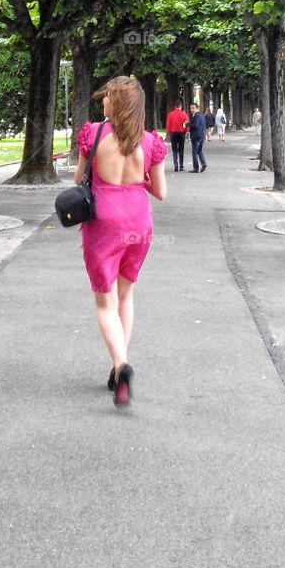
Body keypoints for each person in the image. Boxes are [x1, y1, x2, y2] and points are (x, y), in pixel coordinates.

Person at [73, 76, 168, 407]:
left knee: (105, 302)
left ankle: (121, 364)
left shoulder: (94, 134)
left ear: (119, 104)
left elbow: (78, 179)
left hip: (104, 221)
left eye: (108, 96)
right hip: (139, 222)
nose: (103, 101)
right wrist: (140, 180)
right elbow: (161, 192)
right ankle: (118, 371)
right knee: (126, 295)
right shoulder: (151, 142)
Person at [165, 98, 189, 172]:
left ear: (174, 106)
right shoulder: (184, 114)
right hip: (181, 133)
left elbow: (168, 125)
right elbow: (186, 124)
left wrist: (169, 133)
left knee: (174, 150)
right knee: (181, 150)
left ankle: (175, 164)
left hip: (173, 133)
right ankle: (181, 166)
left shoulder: (170, 114)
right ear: (181, 106)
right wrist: (186, 131)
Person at [187, 103, 207, 173]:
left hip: (196, 136)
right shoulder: (202, 115)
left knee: (194, 152)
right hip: (202, 135)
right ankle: (203, 163)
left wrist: (188, 124)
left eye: (193, 108)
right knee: (199, 151)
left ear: (197, 108)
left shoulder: (196, 116)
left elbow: (195, 125)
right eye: (190, 108)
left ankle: (196, 168)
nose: (191, 110)